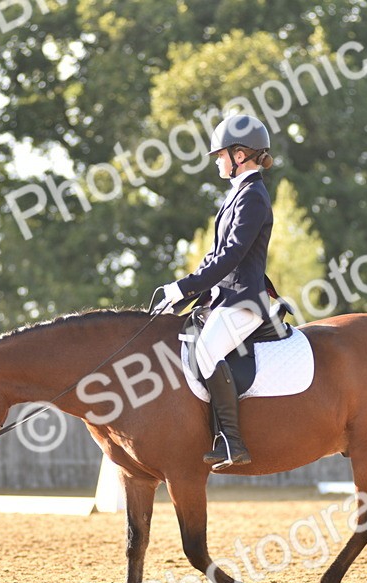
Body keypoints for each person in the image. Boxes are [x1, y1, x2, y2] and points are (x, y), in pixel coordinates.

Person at [152, 113, 276, 470]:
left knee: (207, 349)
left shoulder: (252, 196)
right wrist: (184, 290)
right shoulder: (236, 196)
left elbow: (232, 254)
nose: (217, 161)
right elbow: (214, 255)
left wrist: (187, 286)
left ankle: (232, 442)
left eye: (221, 154)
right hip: (224, 298)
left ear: (240, 155)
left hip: (244, 300)